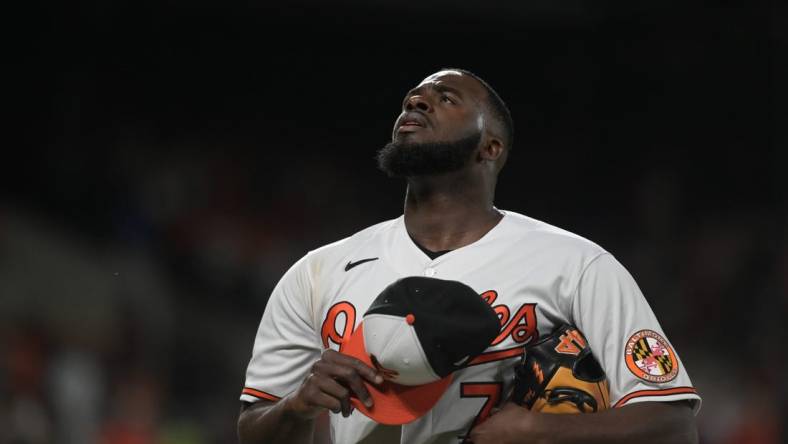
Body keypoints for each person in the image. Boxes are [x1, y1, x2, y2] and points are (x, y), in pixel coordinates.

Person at [237, 68, 700, 444]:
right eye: (411, 98)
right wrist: (297, 405)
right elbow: (255, 430)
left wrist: (544, 431)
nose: (415, 102)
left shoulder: (576, 266)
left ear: (490, 147)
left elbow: (673, 425)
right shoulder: (317, 272)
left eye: (445, 98)